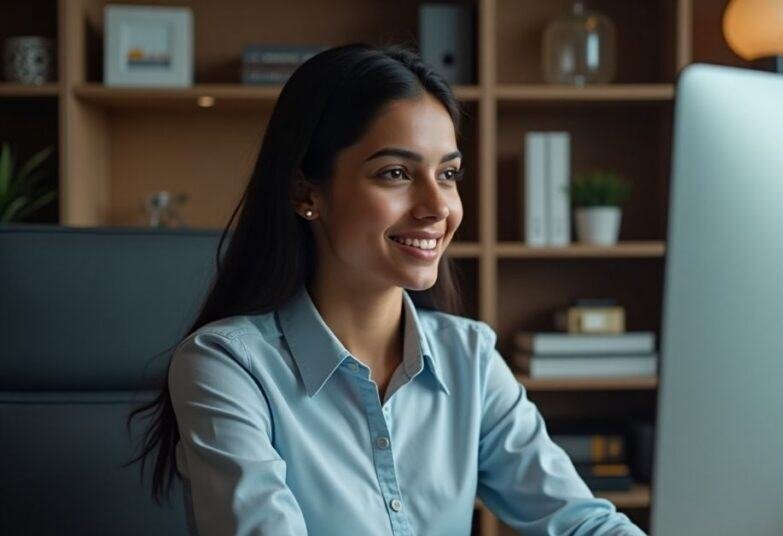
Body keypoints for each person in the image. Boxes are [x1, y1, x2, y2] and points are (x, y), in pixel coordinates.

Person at [127, 43, 645, 536]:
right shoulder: (226, 366)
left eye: (447, 174)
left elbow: (580, 521)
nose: (437, 207)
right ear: (307, 192)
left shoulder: (471, 359)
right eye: (396, 173)